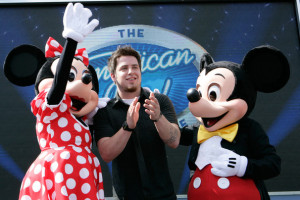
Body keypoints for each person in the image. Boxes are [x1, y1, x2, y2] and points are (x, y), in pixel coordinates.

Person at [93, 45, 180, 200]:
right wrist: (127, 127)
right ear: (113, 76)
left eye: (135, 67)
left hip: (164, 195)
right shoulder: (105, 111)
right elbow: (106, 154)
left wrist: (158, 117)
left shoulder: (159, 101)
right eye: (124, 68)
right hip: (126, 196)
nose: (131, 72)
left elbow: (174, 141)